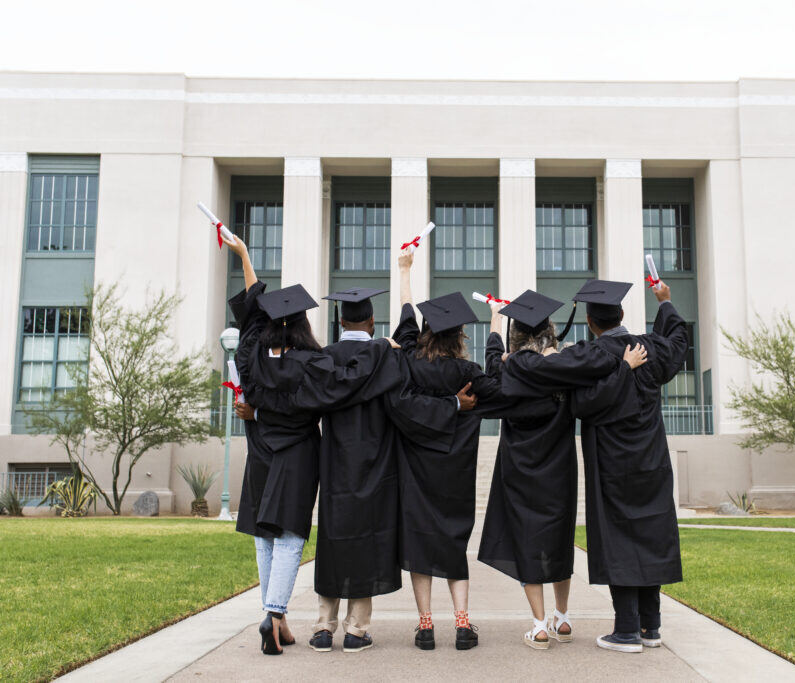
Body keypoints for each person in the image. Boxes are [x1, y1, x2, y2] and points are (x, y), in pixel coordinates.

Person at [245, 287, 477, 655]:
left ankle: (323, 627)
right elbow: (404, 407)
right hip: (377, 463)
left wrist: (258, 413)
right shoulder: (386, 356)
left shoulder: (324, 359)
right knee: (369, 540)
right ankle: (356, 630)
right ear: (371, 321)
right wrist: (451, 404)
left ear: (340, 321)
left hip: (334, 461)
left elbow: (301, 406)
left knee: (334, 540)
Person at [226, 236, 396, 656]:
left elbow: (250, 316)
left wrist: (245, 256)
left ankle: (275, 620)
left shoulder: (251, 358)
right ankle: (274, 612)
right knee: (288, 536)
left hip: (261, 452)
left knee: (263, 537)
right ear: (304, 323)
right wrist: (382, 347)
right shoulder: (314, 364)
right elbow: (350, 380)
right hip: (299, 453)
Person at [499, 279, 688, 654]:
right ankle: (652, 627)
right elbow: (678, 343)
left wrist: (515, 359)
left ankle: (628, 630)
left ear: (590, 322)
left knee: (621, 539)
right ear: (621, 314)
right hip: (651, 459)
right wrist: (665, 304)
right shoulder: (649, 347)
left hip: (613, 461)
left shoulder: (591, 355)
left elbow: (555, 380)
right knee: (649, 535)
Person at [477, 290, 648, 650]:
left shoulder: (511, 369)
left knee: (527, 541)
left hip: (521, 467)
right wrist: (623, 367)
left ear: (516, 338)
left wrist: (495, 320)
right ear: (550, 334)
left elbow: (492, 363)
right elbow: (595, 374)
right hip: (558, 467)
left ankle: (539, 626)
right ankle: (564, 617)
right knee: (558, 539)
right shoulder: (565, 368)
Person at [392, 246, 512, 651]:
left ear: (426, 332)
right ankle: (463, 624)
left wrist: (405, 271)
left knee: (421, 543)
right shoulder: (468, 373)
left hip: (414, 471)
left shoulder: (407, 361)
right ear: (460, 334)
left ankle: (425, 625)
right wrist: (497, 322)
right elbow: (503, 390)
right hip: (455, 474)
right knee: (453, 543)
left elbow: (406, 318)